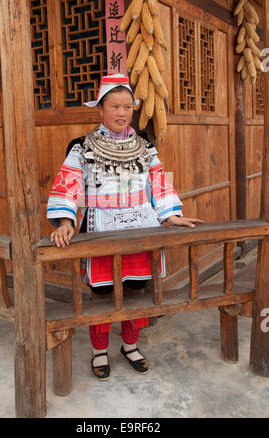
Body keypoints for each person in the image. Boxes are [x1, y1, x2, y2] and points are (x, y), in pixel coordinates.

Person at [47, 74, 202, 381]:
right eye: (114, 106)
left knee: (136, 291)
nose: (121, 113)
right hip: (101, 228)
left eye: (127, 107)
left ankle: (130, 345)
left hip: (140, 229)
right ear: (101, 109)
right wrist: (65, 221)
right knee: (102, 293)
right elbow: (69, 184)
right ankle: (99, 350)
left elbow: (158, 181)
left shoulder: (145, 147)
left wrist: (170, 214)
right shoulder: (82, 147)